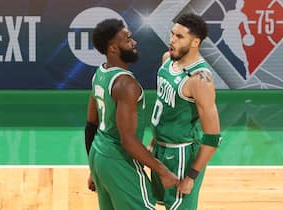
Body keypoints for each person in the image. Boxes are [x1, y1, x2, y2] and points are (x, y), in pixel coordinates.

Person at [85, 18, 179, 210]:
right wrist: (163, 171)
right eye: (127, 39)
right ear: (112, 48)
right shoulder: (126, 85)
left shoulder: (100, 74)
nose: (134, 42)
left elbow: (90, 125)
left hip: (99, 154)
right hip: (119, 160)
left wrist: (94, 168)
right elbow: (127, 140)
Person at [149, 13, 222, 210]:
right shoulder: (167, 60)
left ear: (195, 42)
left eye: (179, 37)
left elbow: (213, 137)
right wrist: (152, 142)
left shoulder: (200, 79)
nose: (172, 39)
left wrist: (191, 176)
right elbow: (165, 108)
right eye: (172, 34)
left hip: (180, 155)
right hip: (159, 149)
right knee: (158, 203)